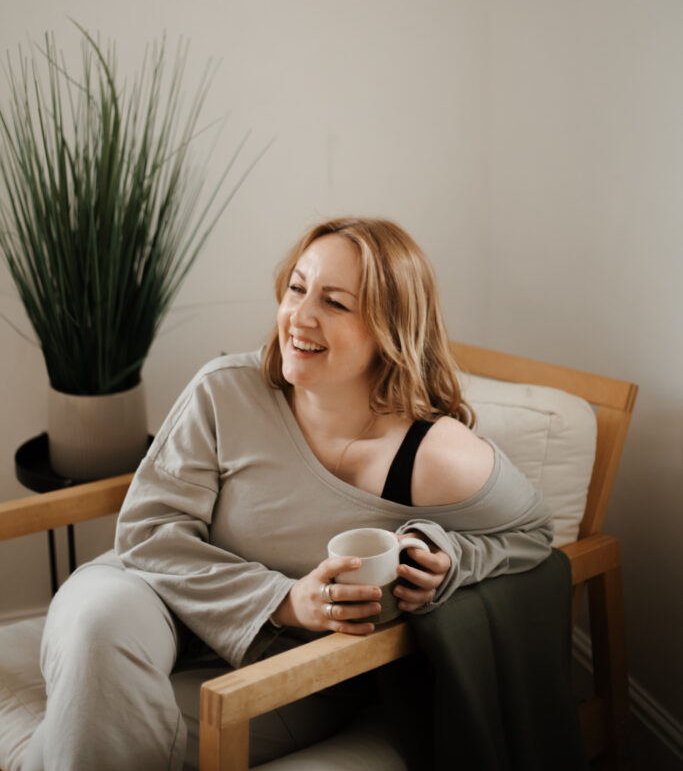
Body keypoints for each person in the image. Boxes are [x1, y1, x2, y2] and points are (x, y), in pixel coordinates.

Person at [22, 217, 553, 771]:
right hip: (147, 595)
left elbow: (533, 534)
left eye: (335, 302)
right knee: (98, 626)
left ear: (390, 330)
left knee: (99, 724)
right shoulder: (226, 389)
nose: (299, 316)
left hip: (287, 666)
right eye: (297, 288)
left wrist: (452, 558)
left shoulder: (434, 457)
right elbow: (148, 534)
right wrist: (284, 599)